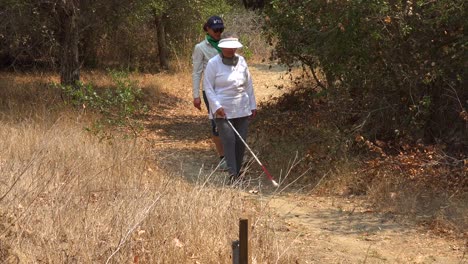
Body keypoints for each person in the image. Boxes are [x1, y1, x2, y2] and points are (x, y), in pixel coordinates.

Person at [203, 33, 257, 181]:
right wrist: (216, 106)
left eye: (234, 47)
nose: (231, 50)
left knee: (240, 141)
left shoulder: (242, 61)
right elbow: (208, 87)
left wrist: (253, 105)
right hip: (222, 109)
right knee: (228, 140)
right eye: (228, 47)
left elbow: (248, 84)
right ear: (222, 47)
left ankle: (238, 172)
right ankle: (232, 174)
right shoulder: (213, 63)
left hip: (242, 107)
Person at [192, 15, 227, 170]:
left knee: (230, 121)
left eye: (221, 30)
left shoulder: (227, 44)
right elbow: (196, 72)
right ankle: (223, 157)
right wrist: (196, 95)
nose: (218, 33)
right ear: (207, 29)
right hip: (211, 91)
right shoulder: (200, 47)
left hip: (227, 90)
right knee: (217, 123)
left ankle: (232, 154)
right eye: (215, 30)